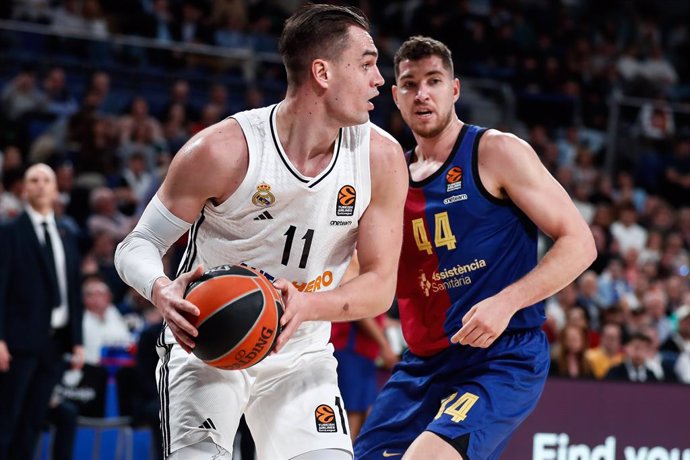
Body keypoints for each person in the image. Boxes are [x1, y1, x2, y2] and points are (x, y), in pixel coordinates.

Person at [114, 4, 407, 460]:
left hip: (301, 350)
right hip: (208, 339)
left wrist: (308, 305)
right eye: (367, 64)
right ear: (322, 72)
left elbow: (379, 287)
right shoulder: (222, 151)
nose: (379, 80)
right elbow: (138, 244)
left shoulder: (381, 159)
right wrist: (160, 290)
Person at [354, 36, 596, 460]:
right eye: (410, 84)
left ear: (455, 90)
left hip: (500, 356)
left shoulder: (496, 151)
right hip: (423, 365)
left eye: (433, 80)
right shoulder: (391, 177)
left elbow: (580, 243)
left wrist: (506, 302)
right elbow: (367, 271)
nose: (422, 93)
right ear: (395, 95)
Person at [0, 163, 85, 460]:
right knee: (7, 419)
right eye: (33, 179)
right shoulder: (9, 232)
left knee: (33, 422)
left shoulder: (66, 233)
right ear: (24, 189)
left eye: (46, 179)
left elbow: (73, 291)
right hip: (18, 343)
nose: (39, 185)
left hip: (54, 343)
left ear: (55, 189)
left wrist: (77, 341)